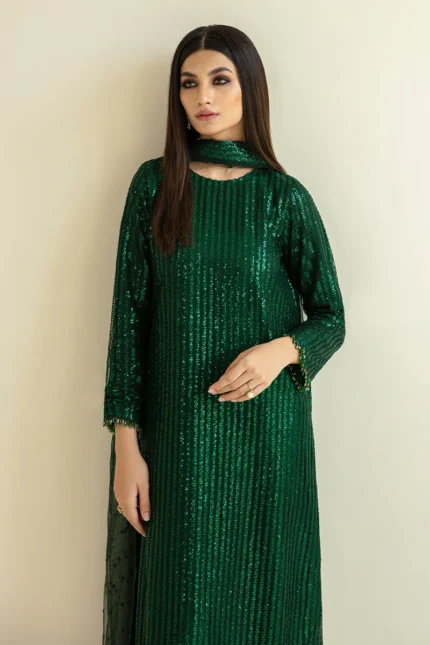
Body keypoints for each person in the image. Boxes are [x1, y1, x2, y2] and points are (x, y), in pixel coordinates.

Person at [101, 23, 346, 645]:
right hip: (177, 439)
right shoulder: (155, 185)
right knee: (177, 605)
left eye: (219, 79)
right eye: (188, 84)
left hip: (268, 439)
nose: (203, 97)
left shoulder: (283, 198)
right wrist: (126, 445)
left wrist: (281, 351)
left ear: (249, 88)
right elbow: (129, 319)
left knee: (265, 601)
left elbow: (332, 316)